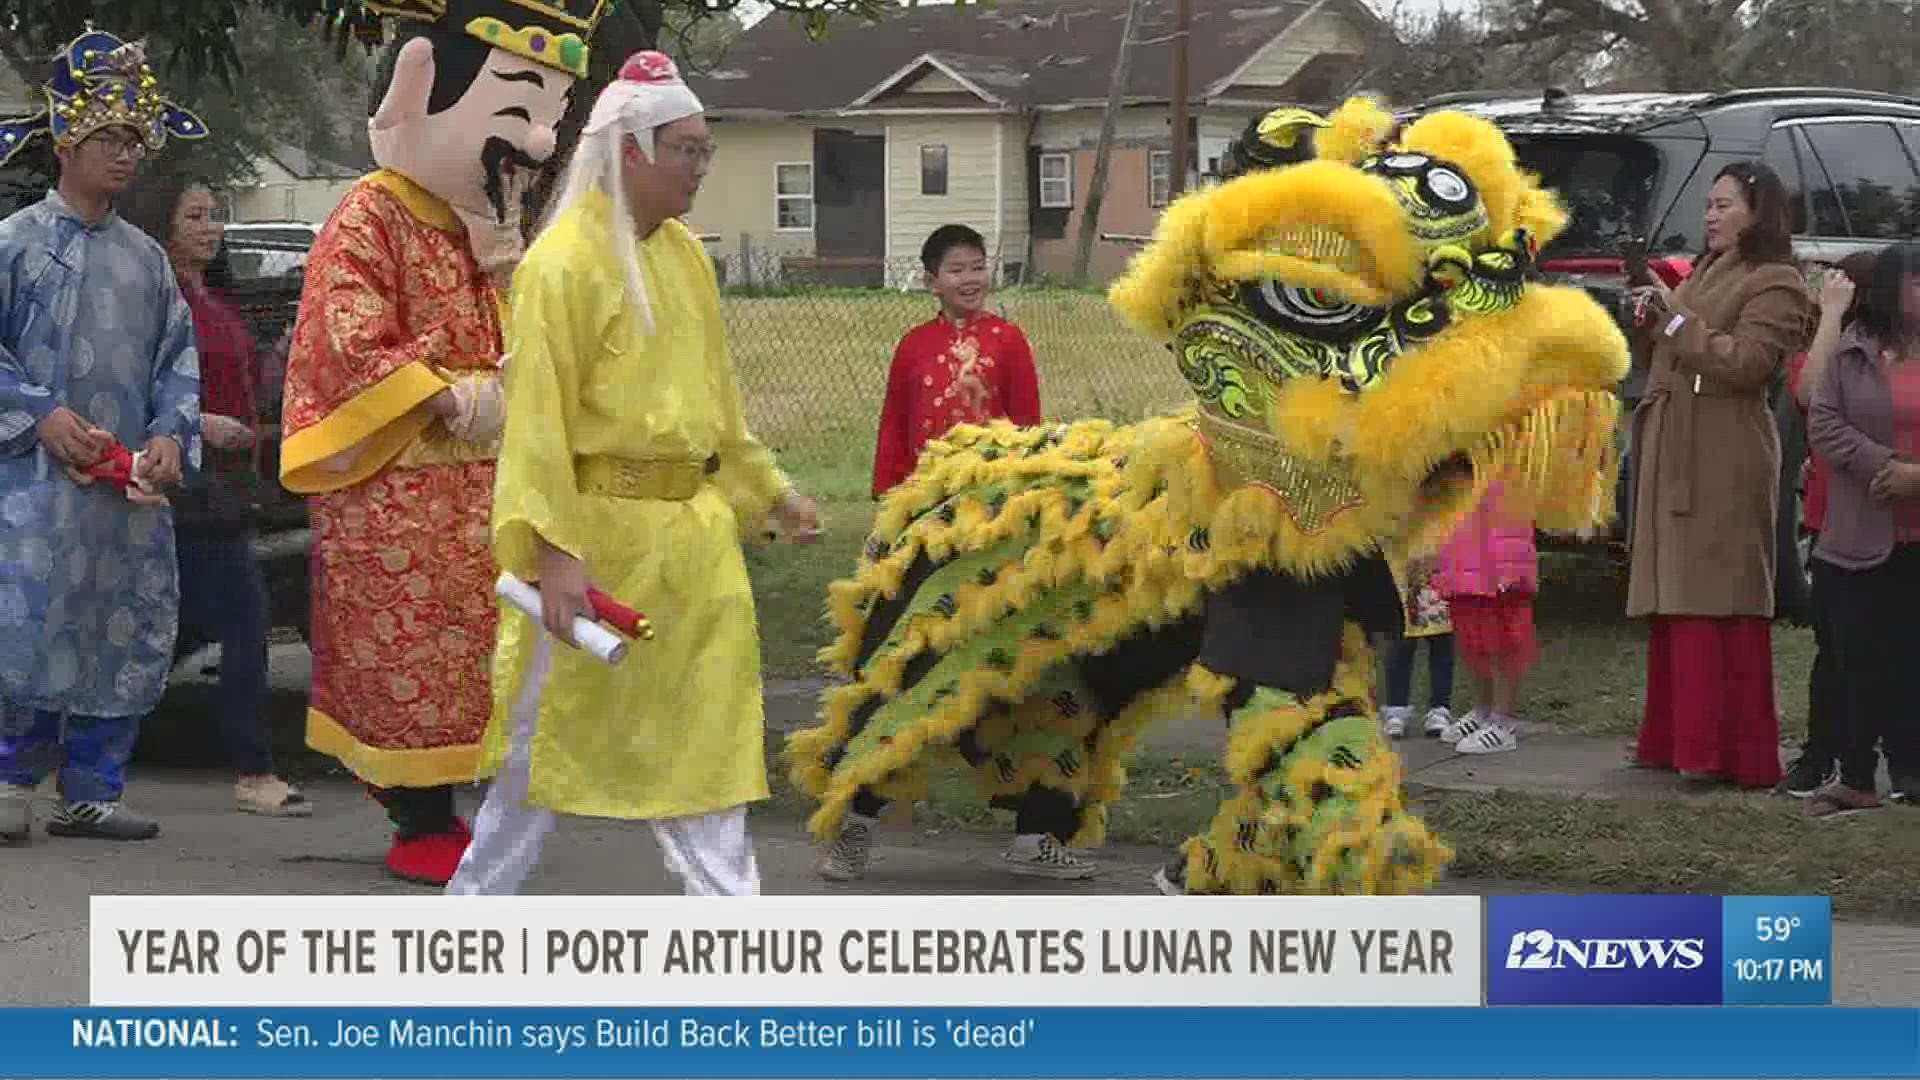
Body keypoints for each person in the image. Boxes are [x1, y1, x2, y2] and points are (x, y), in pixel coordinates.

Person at [445, 52, 821, 898]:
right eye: (686, 149)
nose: (701, 166)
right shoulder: (562, 265)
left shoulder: (686, 257)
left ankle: (736, 938)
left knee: (704, 747)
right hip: (595, 542)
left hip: (693, 549)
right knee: (538, 756)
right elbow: (536, 425)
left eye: (704, 150)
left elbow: (718, 410)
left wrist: (770, 491)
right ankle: (469, 925)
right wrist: (555, 552)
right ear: (631, 149)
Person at [278, 0, 596, 885]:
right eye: (519, 112)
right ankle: (419, 816)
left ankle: (466, 807)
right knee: (413, 654)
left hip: (482, 492)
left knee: (487, 652)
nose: (535, 143)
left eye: (550, 119)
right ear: (423, 85)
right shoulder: (370, 212)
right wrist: (448, 393)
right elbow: (345, 335)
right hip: (401, 484)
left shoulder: (480, 226)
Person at [0, 32, 207, 843]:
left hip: (123, 491)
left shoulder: (147, 262)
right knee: (25, 622)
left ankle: (91, 787)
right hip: (32, 486)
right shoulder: (15, 243)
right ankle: (11, 778)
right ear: (64, 145)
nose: (123, 157)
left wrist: (167, 436)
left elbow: (176, 364)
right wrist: (37, 412)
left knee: (119, 622)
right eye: (107, 141)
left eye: (132, 143)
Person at [122, 172, 310, 817]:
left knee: (179, 627)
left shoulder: (212, 296)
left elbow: (249, 377)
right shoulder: (153, 297)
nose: (212, 228)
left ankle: (88, 744)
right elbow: (130, 392)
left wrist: (285, 356)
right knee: (245, 619)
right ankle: (252, 768)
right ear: (164, 226)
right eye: (196, 215)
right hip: (182, 481)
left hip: (227, 482)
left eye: (214, 215)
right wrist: (197, 425)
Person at [1625, 161, 1811, 789]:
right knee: (1677, 590)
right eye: (1707, 205)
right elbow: (1679, 342)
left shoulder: (1778, 282)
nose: (1710, 216)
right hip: (1676, 436)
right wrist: (1651, 318)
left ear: (1759, 213)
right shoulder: (1706, 270)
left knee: (1716, 591)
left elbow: (1747, 364)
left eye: (1724, 205)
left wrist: (1674, 319)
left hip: (1726, 449)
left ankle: (1725, 749)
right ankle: (1673, 738)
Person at [1804, 242, 1920, 816]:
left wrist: (1916, 479)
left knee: (1911, 658)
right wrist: (1884, 467)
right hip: (1859, 536)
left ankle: (1911, 773)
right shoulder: (1852, 352)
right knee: (1858, 657)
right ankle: (1854, 777)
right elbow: (1822, 418)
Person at [1778, 253, 1875, 798]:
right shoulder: (1824, 346)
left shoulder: (1897, 349)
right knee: (1834, 647)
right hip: (1831, 519)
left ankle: (1891, 756)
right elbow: (1809, 395)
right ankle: (1822, 756)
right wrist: (1833, 316)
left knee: (1890, 644)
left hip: (1892, 517)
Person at [871, 224, 1041, 498]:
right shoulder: (913, 345)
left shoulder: (1008, 339)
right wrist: (888, 490)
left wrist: (1026, 480)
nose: (970, 279)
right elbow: (895, 421)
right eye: (957, 270)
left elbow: (1027, 418)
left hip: (992, 489)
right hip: (925, 490)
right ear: (931, 282)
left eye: (977, 268)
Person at [1432, 482, 1539, 755]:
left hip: (1503, 519)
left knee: (1506, 628)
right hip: (1463, 521)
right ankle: (1483, 709)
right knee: (1469, 621)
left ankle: (1504, 722)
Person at [1380, 555, 1455, 740]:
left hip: (1439, 555)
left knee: (1442, 639)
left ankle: (1440, 708)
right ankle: (1396, 710)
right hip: (1400, 559)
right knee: (1400, 640)